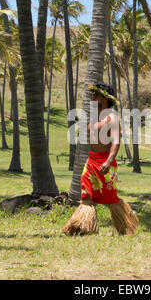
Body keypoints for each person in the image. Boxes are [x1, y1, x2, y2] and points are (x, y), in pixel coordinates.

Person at [62, 83, 138, 236]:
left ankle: (125, 227)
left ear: (105, 98)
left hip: (105, 162)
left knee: (111, 198)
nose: (93, 97)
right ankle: (82, 228)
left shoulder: (112, 117)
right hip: (91, 161)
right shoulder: (96, 116)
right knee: (86, 194)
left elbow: (116, 141)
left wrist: (108, 161)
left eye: (96, 95)